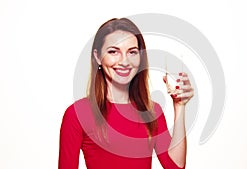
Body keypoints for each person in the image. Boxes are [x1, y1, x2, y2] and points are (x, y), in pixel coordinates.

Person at [59, 18, 194, 169]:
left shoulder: (152, 111)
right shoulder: (78, 114)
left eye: (132, 52)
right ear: (97, 56)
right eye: (113, 52)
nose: (124, 61)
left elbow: (175, 167)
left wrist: (180, 106)